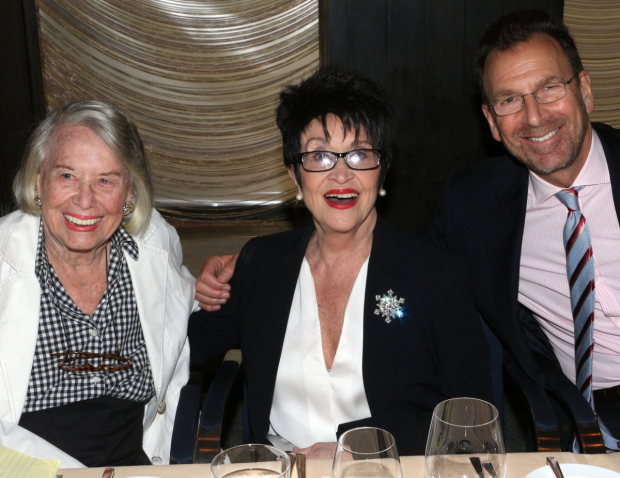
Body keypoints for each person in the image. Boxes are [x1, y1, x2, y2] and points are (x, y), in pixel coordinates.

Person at [189, 68, 493, 458]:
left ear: (382, 171)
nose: (341, 174)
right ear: (295, 176)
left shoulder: (435, 275)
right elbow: (181, 345)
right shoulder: (261, 264)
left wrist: (362, 449)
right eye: (319, 155)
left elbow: (471, 416)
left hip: (388, 468)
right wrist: (191, 286)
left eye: (359, 154)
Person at [426, 10, 620, 450]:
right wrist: (248, 268)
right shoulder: (474, 205)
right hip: (592, 422)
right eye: (510, 100)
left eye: (549, 88)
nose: (534, 117)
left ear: (585, 90)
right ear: (492, 122)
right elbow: (406, 273)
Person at [0, 100, 196, 467]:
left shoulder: (154, 245)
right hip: (21, 467)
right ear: (38, 181)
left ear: (129, 194)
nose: (85, 200)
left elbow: (184, 303)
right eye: (66, 176)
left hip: (133, 465)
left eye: (105, 180)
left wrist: (220, 283)